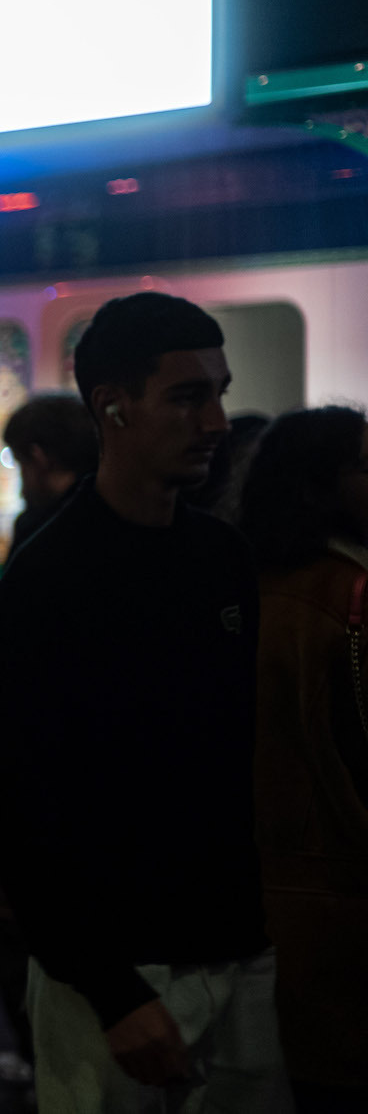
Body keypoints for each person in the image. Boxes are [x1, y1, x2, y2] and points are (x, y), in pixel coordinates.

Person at [0, 292, 291, 1111]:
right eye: (188, 396)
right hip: (117, 973)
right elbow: (12, 801)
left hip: (239, 951)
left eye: (219, 392)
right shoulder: (49, 579)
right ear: (111, 405)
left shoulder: (221, 556)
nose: (216, 421)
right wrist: (111, 989)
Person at [237, 407, 368, 1112]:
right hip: (346, 888)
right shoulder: (349, 592)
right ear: (324, 486)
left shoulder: (247, 582)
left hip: (276, 891)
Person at [1, 392, 98, 557]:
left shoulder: (36, 530)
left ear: (39, 458)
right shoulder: (118, 509)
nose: (22, 491)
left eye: (21, 465)